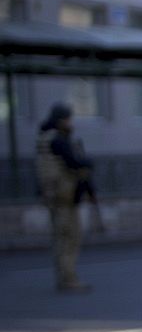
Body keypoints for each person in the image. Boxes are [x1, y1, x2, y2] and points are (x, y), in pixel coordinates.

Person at [35, 102, 93, 292]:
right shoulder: (58, 140)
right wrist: (87, 163)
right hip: (64, 196)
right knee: (70, 238)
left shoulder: (45, 138)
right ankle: (68, 279)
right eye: (69, 119)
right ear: (61, 120)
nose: (71, 123)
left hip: (55, 196)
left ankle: (65, 277)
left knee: (61, 238)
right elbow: (74, 163)